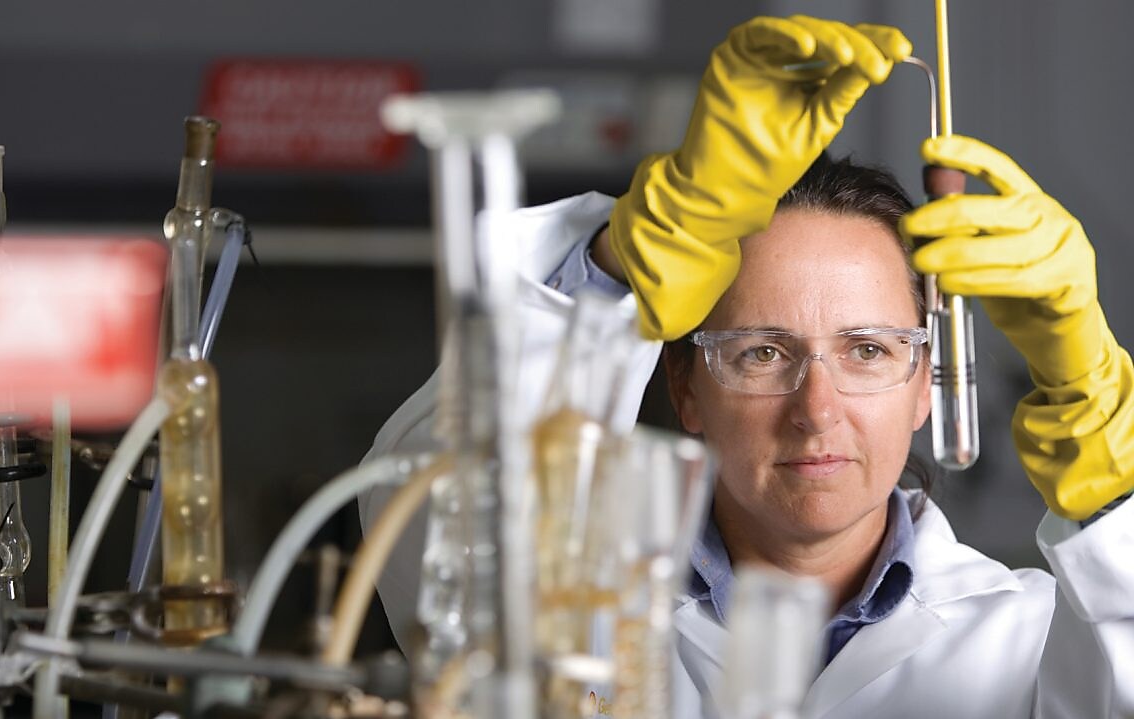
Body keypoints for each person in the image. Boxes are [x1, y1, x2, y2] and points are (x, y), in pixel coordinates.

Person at [360, 14, 1134, 717]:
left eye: (868, 349)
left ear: (926, 383)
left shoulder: (1032, 636)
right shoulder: (573, 601)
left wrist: (1104, 451)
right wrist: (618, 272)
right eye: (763, 352)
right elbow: (432, 519)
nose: (817, 408)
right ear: (686, 386)